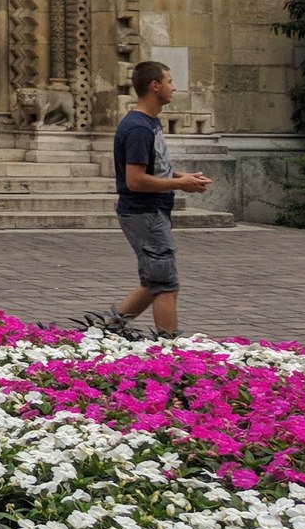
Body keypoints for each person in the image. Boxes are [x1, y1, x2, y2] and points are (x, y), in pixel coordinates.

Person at [82, 60, 211, 339]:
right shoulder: (139, 128)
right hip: (144, 212)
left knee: (154, 280)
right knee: (165, 283)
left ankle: (109, 330)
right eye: (169, 81)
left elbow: (151, 166)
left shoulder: (148, 122)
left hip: (151, 211)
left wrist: (181, 176)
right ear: (155, 86)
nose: (173, 87)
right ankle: (169, 347)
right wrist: (180, 183)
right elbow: (135, 180)